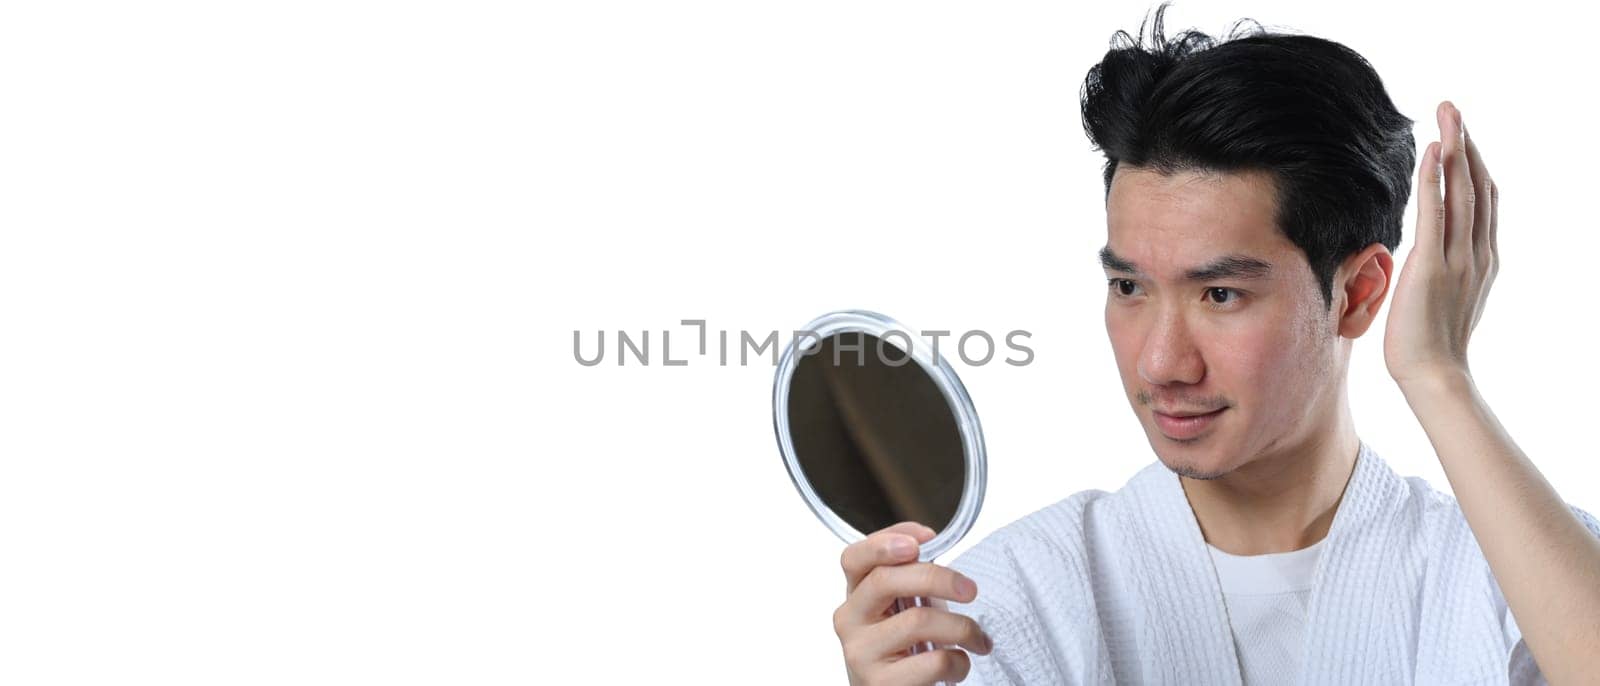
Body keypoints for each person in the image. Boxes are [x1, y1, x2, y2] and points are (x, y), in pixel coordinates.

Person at [829, 5, 1600, 685]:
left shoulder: (1513, 573)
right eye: (1129, 287)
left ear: (1359, 293)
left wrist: (1439, 376)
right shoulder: (1014, 596)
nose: (1161, 363)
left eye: (1220, 295)